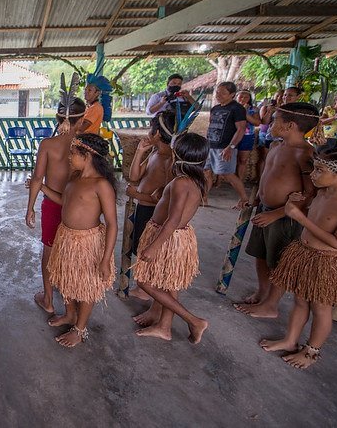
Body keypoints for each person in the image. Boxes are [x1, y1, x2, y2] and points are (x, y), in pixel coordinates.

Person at [258, 150, 337, 368]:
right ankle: (290, 340)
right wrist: (295, 204)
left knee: (321, 308)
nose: (313, 175)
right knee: (299, 301)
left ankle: (311, 352)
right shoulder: (320, 193)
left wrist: (299, 217)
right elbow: (313, 214)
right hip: (305, 254)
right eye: (314, 169)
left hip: (327, 262)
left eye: (320, 170)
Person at [234, 103, 319, 318]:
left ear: (290, 126)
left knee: (279, 261)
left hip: (284, 217)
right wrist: (255, 199)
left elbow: (310, 193)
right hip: (265, 209)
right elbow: (266, 176)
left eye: (275, 120)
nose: (270, 123)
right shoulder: (275, 146)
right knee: (261, 255)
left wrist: (277, 214)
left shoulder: (305, 153)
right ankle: (263, 292)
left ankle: (271, 305)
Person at [38, 134, 117, 348]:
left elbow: (112, 224)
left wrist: (105, 259)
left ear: (87, 155)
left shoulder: (101, 185)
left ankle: (80, 329)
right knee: (67, 278)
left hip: (88, 242)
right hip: (66, 238)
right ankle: (70, 314)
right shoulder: (74, 178)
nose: (69, 157)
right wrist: (43, 188)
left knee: (86, 285)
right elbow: (64, 201)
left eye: (73, 153)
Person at [132, 132, 209, 344]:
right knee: (170, 283)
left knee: (144, 281)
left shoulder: (181, 183)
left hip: (168, 237)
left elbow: (173, 219)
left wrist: (154, 246)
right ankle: (164, 327)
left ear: (175, 155)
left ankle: (193, 320)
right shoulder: (195, 180)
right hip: (177, 237)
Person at [25, 97, 87, 314]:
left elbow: (37, 178)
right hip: (79, 208)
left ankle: (49, 299)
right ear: (81, 120)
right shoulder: (85, 145)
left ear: (58, 118)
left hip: (52, 206)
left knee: (49, 252)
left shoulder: (48, 144)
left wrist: (30, 208)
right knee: (74, 254)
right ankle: (72, 301)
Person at [126, 111, 176, 307]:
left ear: (157, 134)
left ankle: (149, 289)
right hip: (143, 209)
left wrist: (137, 195)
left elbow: (164, 198)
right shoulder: (156, 153)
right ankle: (143, 287)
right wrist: (140, 151)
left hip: (154, 214)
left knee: (149, 251)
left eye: (150, 129)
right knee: (140, 247)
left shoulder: (170, 160)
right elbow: (134, 177)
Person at [204, 81, 249, 209]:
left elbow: (241, 129)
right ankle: (204, 198)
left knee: (227, 174)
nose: (219, 95)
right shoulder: (215, 108)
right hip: (210, 145)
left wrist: (231, 147)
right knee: (206, 172)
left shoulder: (237, 108)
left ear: (232, 94)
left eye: (223, 93)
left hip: (225, 147)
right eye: (217, 92)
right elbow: (211, 126)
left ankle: (244, 199)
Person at [235, 91, 261, 182]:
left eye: (246, 97)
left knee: (243, 159)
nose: (243, 99)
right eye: (241, 96)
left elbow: (257, 123)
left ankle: (239, 181)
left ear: (249, 99)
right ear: (236, 97)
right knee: (230, 159)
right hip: (231, 135)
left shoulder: (253, 109)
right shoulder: (231, 107)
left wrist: (245, 112)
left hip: (247, 136)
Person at [257, 89, 284, 178]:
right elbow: (264, 122)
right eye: (277, 96)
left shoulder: (287, 109)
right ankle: (261, 179)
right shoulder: (266, 107)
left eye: (282, 96)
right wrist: (270, 111)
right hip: (266, 134)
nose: (279, 98)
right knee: (264, 157)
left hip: (279, 136)